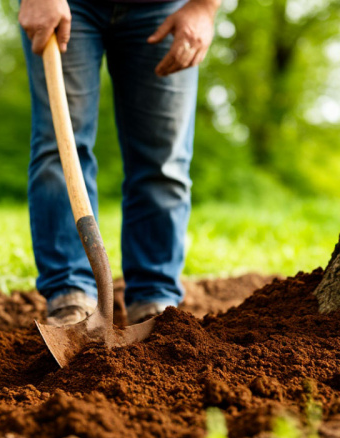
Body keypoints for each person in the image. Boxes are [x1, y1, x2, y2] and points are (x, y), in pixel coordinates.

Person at [18, 0, 220, 326]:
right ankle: (71, 294)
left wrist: (203, 7)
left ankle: (155, 297)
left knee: (163, 161)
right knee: (60, 148)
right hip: (66, 5)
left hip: (164, 8)